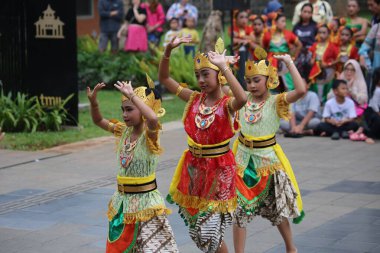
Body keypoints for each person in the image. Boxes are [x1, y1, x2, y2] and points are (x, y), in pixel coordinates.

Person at [159, 37, 247, 253]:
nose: (200, 80)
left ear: (218, 76)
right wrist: (168, 50)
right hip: (195, 169)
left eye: (206, 74)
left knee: (208, 230)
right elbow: (164, 78)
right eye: (197, 75)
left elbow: (243, 99)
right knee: (197, 232)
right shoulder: (193, 99)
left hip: (219, 169)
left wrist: (224, 67)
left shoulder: (227, 105)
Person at [86, 77, 178, 252]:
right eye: (123, 110)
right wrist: (93, 103)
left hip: (147, 205)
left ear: (143, 109)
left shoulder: (150, 134)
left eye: (129, 110)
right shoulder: (123, 131)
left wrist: (132, 95)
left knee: (152, 249)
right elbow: (98, 121)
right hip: (123, 203)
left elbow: (152, 119)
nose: (124, 114)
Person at [232, 48, 306, 253]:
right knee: (238, 211)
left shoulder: (276, 101)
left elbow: (300, 90)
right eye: (249, 81)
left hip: (267, 163)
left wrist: (289, 63)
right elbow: (222, 87)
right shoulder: (242, 98)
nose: (252, 85)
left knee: (277, 210)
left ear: (269, 80)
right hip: (242, 161)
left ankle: (291, 248)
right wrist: (223, 65)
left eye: (257, 80)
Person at [263, 14, 302, 91]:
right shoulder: (267, 35)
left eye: (285, 21)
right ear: (276, 22)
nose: (284, 24)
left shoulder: (288, 34)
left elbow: (299, 45)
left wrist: (294, 57)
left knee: (289, 84)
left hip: (284, 61)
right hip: (272, 62)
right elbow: (264, 48)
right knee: (271, 84)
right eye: (282, 21)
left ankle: (290, 101)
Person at [309, 25, 339, 103]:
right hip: (316, 72)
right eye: (320, 32)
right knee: (317, 89)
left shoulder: (332, 47)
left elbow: (338, 59)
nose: (321, 34)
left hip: (328, 72)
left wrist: (328, 64)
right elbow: (310, 56)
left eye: (324, 32)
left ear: (329, 34)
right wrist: (312, 61)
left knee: (326, 90)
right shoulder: (315, 45)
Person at [293, 3, 318, 81]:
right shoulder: (296, 27)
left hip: (310, 55)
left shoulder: (315, 26)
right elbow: (292, 42)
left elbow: (318, 42)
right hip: (298, 54)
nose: (306, 14)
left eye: (309, 12)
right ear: (301, 12)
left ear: (311, 14)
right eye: (305, 11)